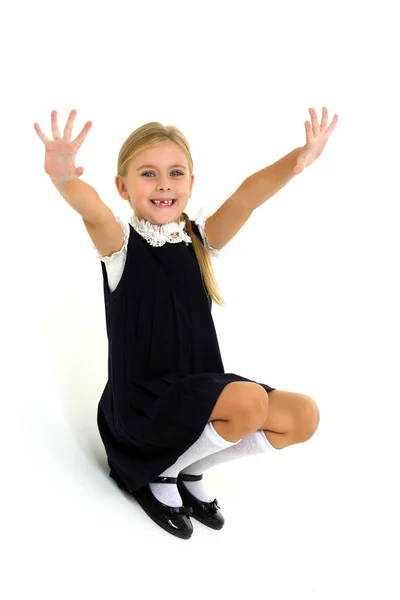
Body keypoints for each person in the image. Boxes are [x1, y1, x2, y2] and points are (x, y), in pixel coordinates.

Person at [34, 107, 338, 540]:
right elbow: (93, 213)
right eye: (148, 174)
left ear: (191, 184)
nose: (163, 185)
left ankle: (186, 468)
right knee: (249, 402)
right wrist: (64, 178)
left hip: (198, 397)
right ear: (122, 186)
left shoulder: (198, 241)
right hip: (143, 407)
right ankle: (153, 473)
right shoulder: (121, 245)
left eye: (175, 173)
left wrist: (298, 159)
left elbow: (247, 196)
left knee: (302, 416)